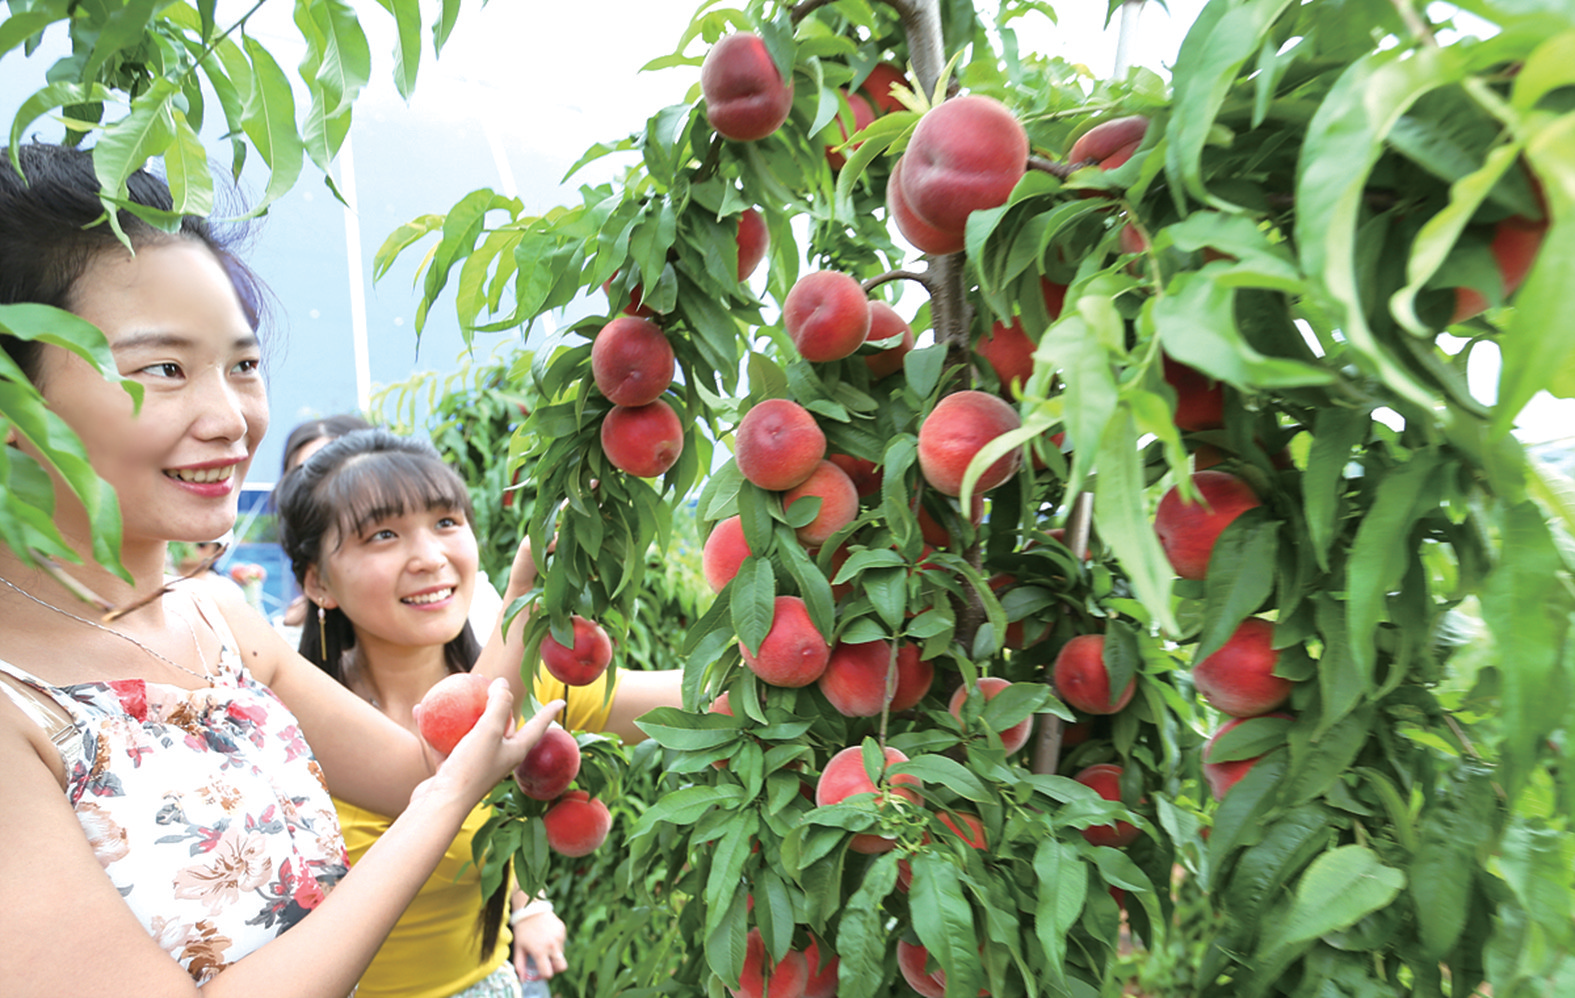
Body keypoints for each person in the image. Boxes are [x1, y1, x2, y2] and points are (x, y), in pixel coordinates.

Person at [0, 142, 560, 997]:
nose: (231, 417)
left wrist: (526, 596)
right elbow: (435, 795)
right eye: (164, 369)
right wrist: (443, 808)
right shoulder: (17, 705)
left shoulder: (215, 617)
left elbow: (416, 769)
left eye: (244, 365)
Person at [275, 428, 684, 998]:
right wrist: (523, 596)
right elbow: (449, 759)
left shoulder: (527, 689)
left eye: (446, 522)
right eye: (384, 534)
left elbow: (704, 696)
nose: (430, 558)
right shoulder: (281, 725)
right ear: (318, 582)